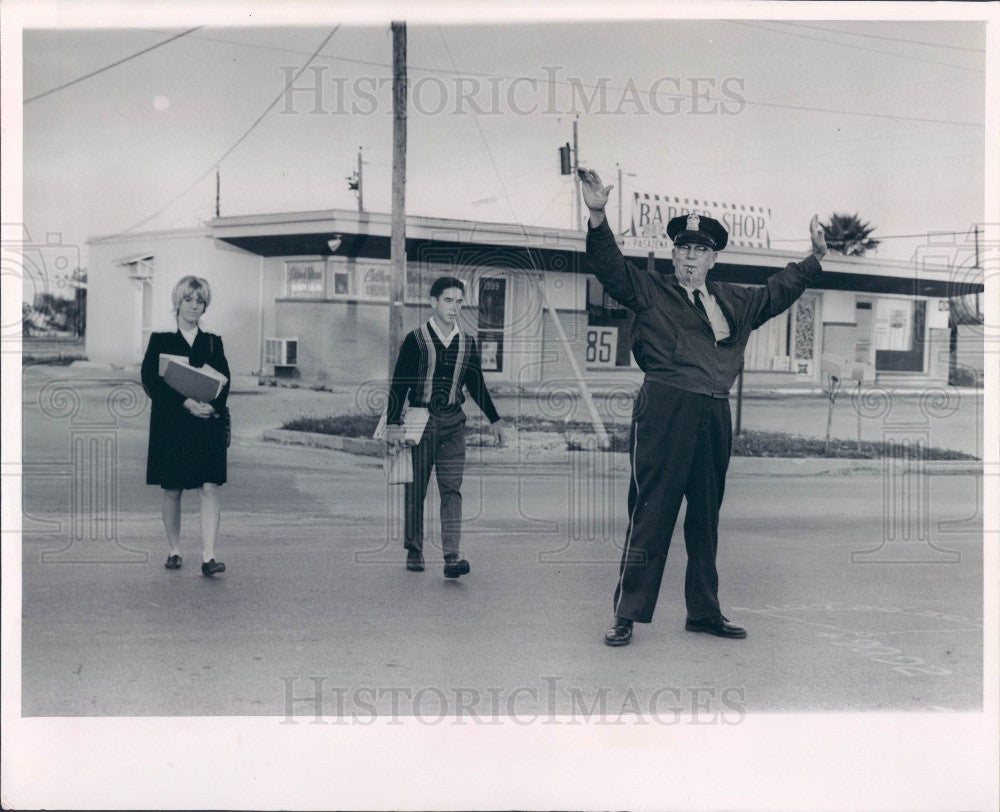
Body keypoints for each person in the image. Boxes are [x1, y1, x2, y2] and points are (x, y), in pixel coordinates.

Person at [578, 168, 828, 646]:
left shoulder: (733, 299)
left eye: (701, 250)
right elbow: (609, 266)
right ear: (674, 253)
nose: (691, 257)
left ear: (713, 258)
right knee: (651, 514)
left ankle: (704, 613)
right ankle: (627, 614)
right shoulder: (650, 290)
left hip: (714, 412)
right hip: (665, 409)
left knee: (705, 518)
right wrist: (597, 213)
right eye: (684, 248)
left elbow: (778, 291)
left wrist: (815, 258)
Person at [386, 276, 505, 578]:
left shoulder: (466, 342)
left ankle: (452, 556)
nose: (454, 307)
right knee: (417, 489)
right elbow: (399, 385)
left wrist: (494, 418)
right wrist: (392, 424)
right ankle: (415, 549)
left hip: (453, 423)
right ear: (433, 302)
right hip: (420, 421)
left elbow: (475, 384)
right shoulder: (416, 339)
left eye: (459, 301)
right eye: (449, 301)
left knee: (452, 489)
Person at [141, 275, 231, 577]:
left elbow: (224, 381)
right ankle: (175, 549)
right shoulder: (161, 340)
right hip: (172, 424)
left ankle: (209, 556)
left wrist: (213, 406)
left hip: (206, 425)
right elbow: (151, 380)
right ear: (177, 303)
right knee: (173, 489)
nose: (194, 306)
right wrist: (185, 403)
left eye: (200, 300)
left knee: (209, 486)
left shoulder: (212, 341)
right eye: (188, 300)